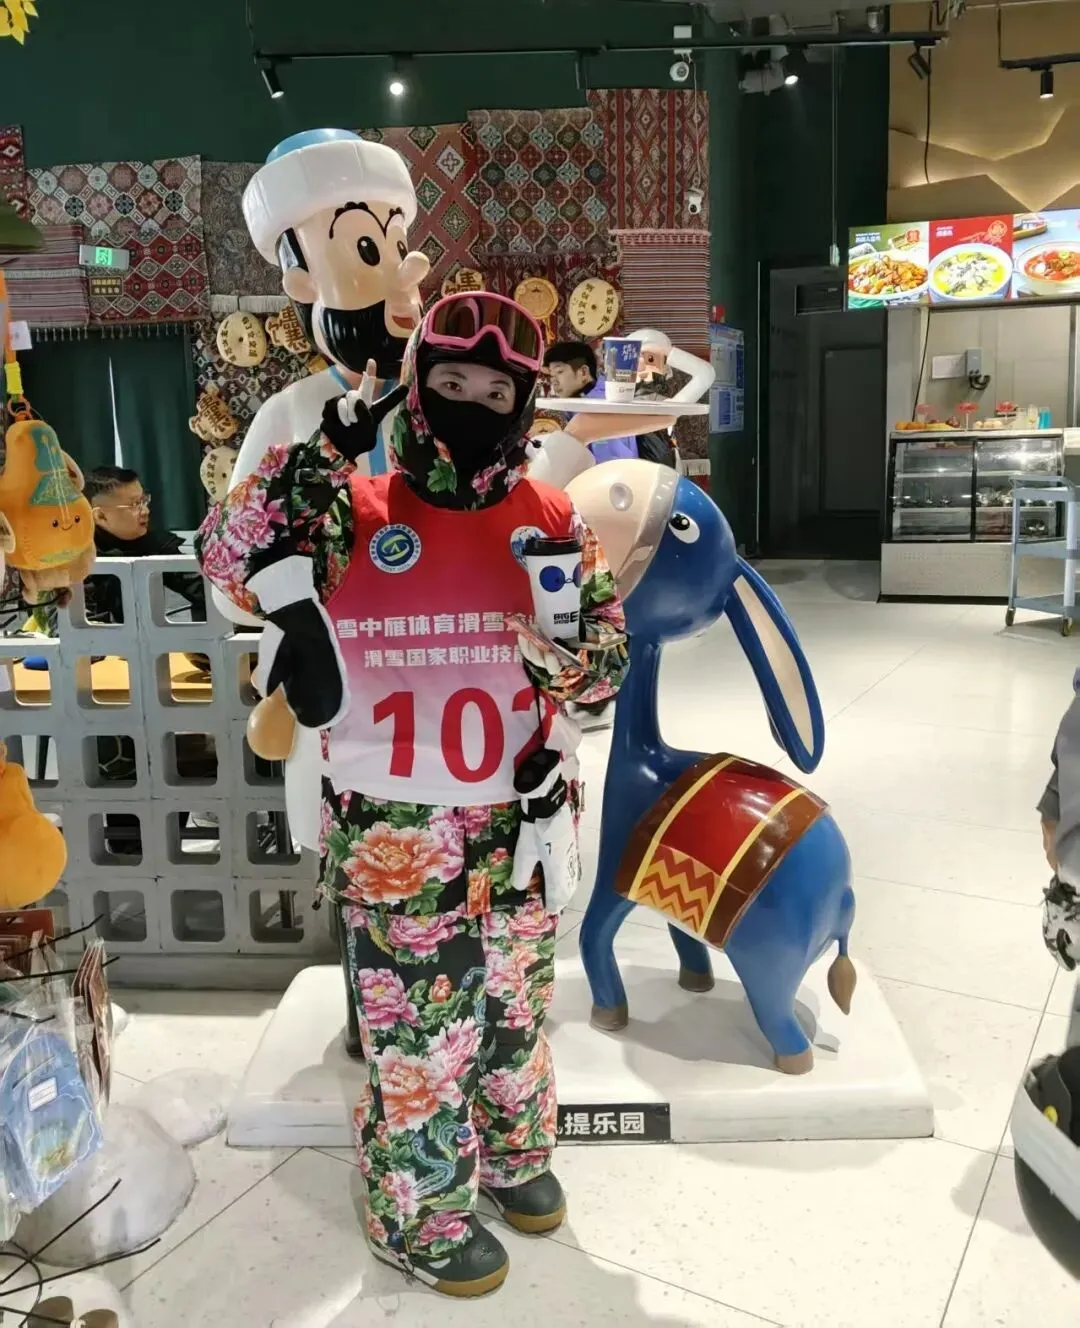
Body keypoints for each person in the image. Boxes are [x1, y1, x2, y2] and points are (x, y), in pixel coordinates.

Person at [197, 292, 628, 1297]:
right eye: (451, 381)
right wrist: (322, 447)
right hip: (399, 830)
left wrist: (572, 662)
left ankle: (513, 1153)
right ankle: (419, 1213)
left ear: (523, 404)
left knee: (517, 1007)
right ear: (416, 388)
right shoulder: (352, 510)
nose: (474, 402)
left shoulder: (551, 517)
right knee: (423, 1039)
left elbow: (608, 663)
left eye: (496, 390)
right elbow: (226, 557)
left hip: (523, 817)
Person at [82, 466, 206, 625]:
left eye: (143, 500)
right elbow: (80, 622)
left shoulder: (154, 543)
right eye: (134, 504)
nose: (146, 511)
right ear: (100, 516)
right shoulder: (77, 556)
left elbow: (199, 587)